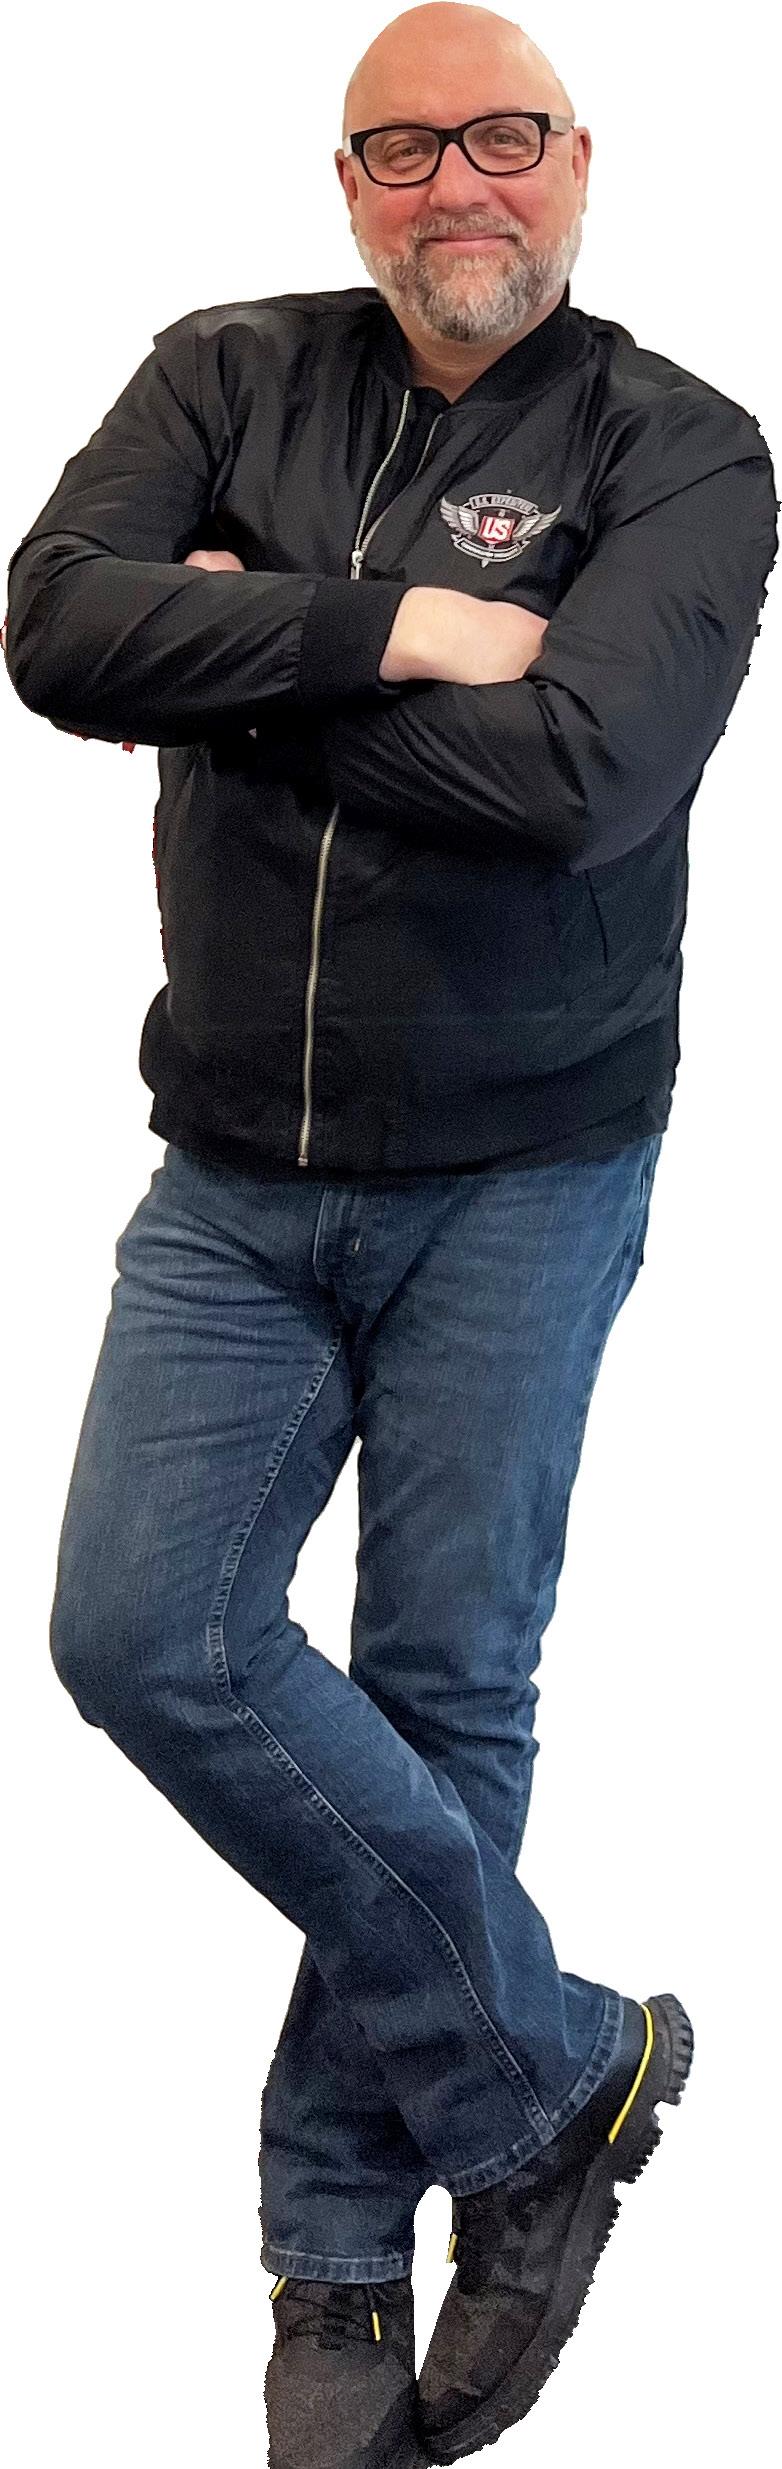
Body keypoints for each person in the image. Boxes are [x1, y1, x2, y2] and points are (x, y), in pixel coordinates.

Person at [3, 6, 778, 2466]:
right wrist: (404, 625)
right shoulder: (219, 370)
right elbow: (59, 628)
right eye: (408, 145)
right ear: (349, 183)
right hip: (232, 1174)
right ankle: (560, 2077)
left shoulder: (681, 444)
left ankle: (335, 2241)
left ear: (581, 162)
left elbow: (585, 777)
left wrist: (238, 658)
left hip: (523, 1172)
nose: (464, 183)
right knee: (143, 1634)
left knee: (442, 1687)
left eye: (506, 137)